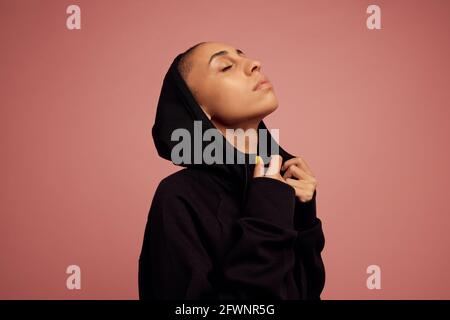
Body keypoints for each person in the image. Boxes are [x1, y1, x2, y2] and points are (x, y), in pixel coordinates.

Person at [138, 41, 325, 300]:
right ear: (199, 107)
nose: (255, 64)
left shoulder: (282, 184)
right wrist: (268, 211)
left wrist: (304, 218)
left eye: (245, 57)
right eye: (226, 67)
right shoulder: (179, 195)